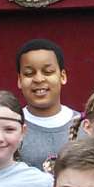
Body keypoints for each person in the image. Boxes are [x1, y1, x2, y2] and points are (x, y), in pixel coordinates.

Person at [16, 39, 80, 170]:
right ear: (19, 80)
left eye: (48, 72)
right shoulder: (11, 127)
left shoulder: (84, 126)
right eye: (29, 73)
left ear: (62, 76)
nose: (39, 79)